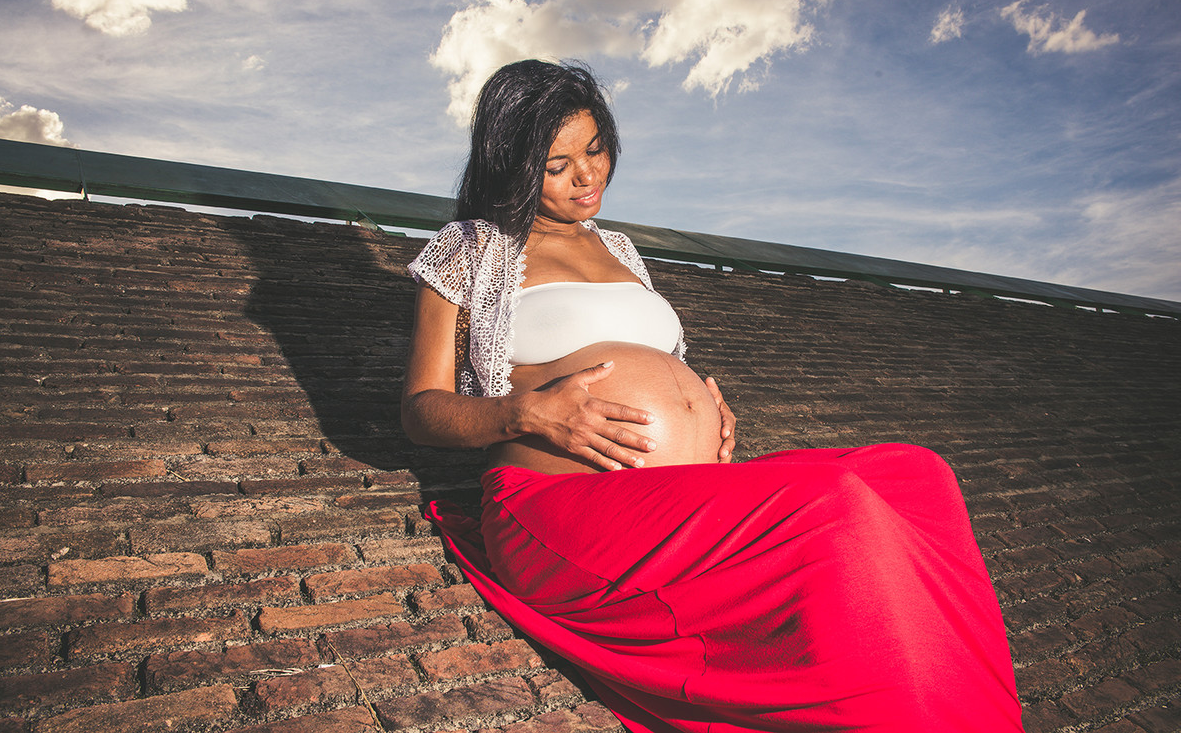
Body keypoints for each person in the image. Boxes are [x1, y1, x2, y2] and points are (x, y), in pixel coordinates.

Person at [403, 59, 1024, 732]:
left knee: (917, 477)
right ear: (513, 166)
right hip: (559, 504)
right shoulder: (471, 248)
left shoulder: (619, 249)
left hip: (675, 494)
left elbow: (651, 362)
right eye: (558, 165)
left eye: (596, 149)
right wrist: (525, 412)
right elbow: (420, 409)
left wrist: (702, 406)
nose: (588, 175)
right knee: (832, 507)